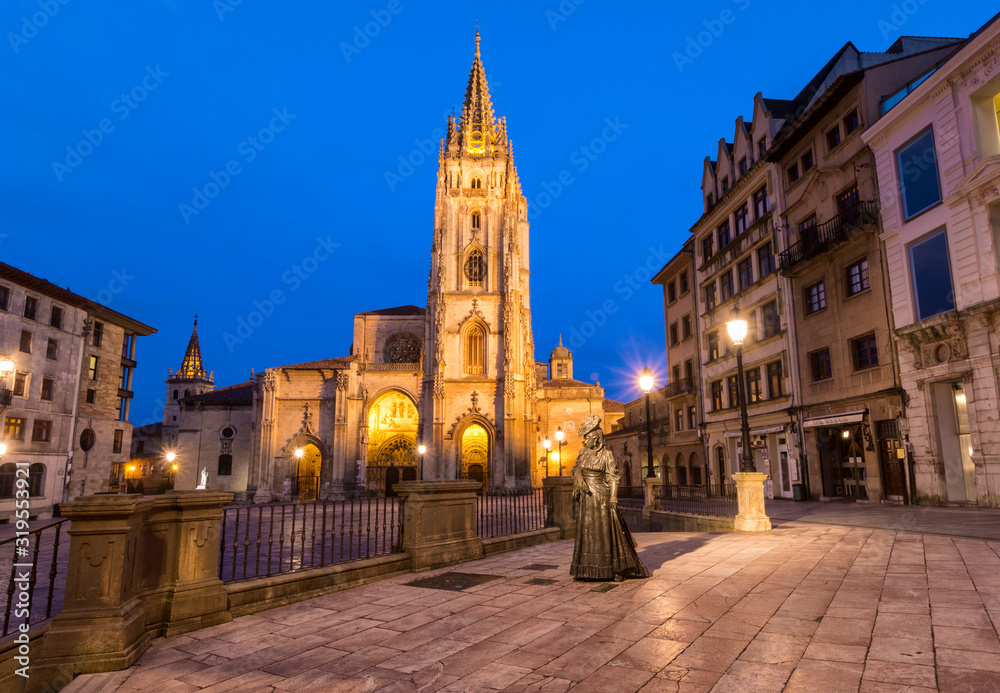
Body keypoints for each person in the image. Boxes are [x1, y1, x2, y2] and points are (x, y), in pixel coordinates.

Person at [570, 414, 650, 581]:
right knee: (588, 532)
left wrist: (613, 497)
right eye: (585, 438)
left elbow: (613, 477)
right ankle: (587, 569)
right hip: (586, 499)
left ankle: (612, 568)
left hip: (600, 498)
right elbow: (575, 468)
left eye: (588, 438)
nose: (586, 441)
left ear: (597, 439)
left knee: (605, 533)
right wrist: (577, 475)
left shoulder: (606, 455)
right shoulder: (583, 453)